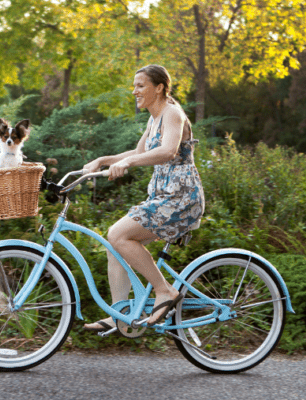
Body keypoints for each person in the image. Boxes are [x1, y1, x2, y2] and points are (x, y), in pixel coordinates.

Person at [82, 64, 205, 330]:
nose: (135, 91)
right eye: (134, 86)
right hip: (164, 196)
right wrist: (102, 161)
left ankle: (165, 291)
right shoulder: (153, 118)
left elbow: (168, 151)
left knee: (117, 234)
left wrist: (129, 164)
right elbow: (135, 152)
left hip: (181, 198)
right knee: (115, 243)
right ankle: (121, 315)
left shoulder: (172, 113)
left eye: (140, 85)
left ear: (159, 88)